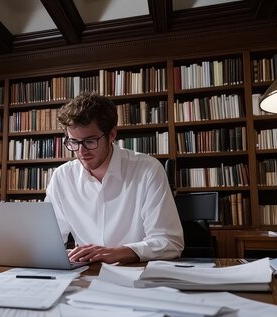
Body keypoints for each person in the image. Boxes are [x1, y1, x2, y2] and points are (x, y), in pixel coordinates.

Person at [45, 92, 184, 265]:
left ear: (111, 135)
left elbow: (169, 243)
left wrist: (118, 253)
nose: (81, 152)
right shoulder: (62, 177)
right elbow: (48, 241)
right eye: (73, 142)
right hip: (86, 276)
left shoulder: (147, 169)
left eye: (90, 141)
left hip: (137, 274)